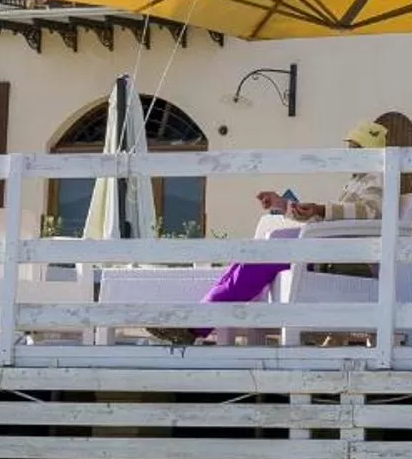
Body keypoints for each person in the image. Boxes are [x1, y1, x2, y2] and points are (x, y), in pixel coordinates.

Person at [156, 120, 392, 344]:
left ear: (368, 152)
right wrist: (284, 205)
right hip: (324, 252)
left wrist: (320, 209)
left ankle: (195, 326)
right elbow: (333, 216)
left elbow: (369, 212)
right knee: (248, 260)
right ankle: (195, 322)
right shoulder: (359, 181)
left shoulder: (376, 178)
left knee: (253, 261)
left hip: (333, 258)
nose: (348, 153)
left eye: (355, 148)